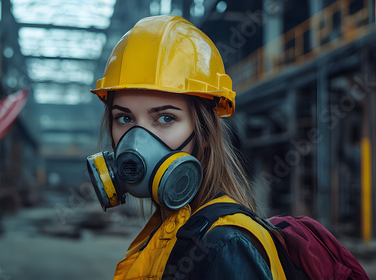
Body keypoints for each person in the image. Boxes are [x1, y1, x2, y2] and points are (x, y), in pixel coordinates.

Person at [86, 15, 282, 279]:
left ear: (204, 134)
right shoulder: (170, 226)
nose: (136, 140)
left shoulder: (226, 245)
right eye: (125, 118)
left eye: (165, 118)